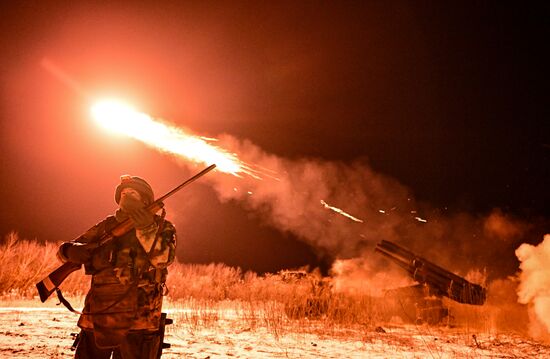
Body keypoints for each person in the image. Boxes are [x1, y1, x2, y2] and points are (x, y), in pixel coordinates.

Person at [57, 175, 176, 358]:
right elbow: (64, 252)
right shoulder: (106, 226)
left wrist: (146, 228)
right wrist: (70, 250)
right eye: (124, 193)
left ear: (145, 199)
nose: (126, 196)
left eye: (132, 193)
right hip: (98, 315)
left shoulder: (162, 226)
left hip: (139, 320)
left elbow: (162, 259)